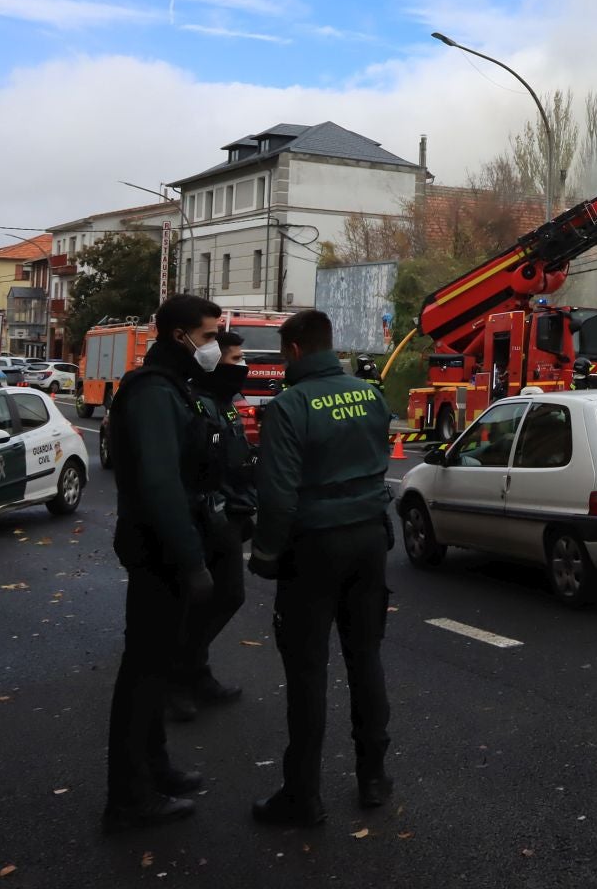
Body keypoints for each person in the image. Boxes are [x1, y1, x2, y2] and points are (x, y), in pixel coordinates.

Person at [248, 309, 394, 828]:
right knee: (366, 659)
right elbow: (380, 461)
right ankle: (374, 777)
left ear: (293, 350)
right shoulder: (369, 393)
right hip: (370, 539)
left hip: (314, 546)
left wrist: (265, 555)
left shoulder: (289, 406)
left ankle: (302, 794)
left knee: (308, 671)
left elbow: (278, 493)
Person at [102, 294, 224, 833]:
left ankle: (155, 769)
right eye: (209, 334)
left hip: (165, 544)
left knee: (153, 667)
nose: (214, 344)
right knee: (144, 674)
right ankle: (129, 797)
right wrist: (191, 558)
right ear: (180, 336)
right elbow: (159, 483)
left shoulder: (175, 387)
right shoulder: (153, 393)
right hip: (158, 548)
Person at [167, 330, 255, 722]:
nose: (243, 366)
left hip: (229, 516)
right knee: (198, 600)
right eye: (235, 359)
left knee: (229, 596)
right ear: (213, 362)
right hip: (202, 519)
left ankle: (194, 671)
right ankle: (178, 680)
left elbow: (239, 459)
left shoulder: (227, 404)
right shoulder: (194, 403)